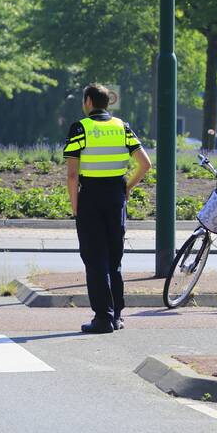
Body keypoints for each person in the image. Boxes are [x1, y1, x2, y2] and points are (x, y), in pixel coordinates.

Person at [63, 84, 151, 334]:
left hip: (90, 196)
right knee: (114, 258)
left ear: (88, 101)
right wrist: (128, 187)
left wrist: (75, 206)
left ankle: (102, 317)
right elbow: (145, 164)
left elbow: (72, 174)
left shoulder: (81, 128)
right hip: (116, 196)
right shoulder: (122, 127)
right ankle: (117, 316)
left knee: (95, 259)